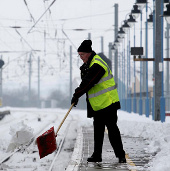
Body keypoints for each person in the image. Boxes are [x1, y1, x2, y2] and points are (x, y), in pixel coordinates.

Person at [71, 40, 126, 163]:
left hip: (108, 102)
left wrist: (76, 95)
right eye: (79, 55)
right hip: (98, 105)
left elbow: (88, 82)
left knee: (112, 130)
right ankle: (97, 155)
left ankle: (121, 156)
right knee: (98, 131)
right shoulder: (90, 64)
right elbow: (86, 82)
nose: (81, 58)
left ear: (89, 53)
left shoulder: (97, 64)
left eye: (82, 55)